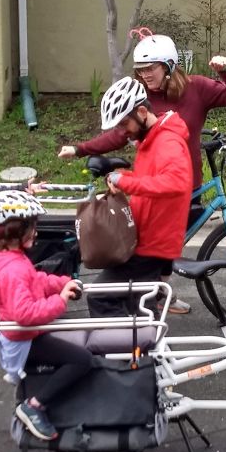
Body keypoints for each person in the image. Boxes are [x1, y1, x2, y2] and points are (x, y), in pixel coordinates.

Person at [59, 32, 226, 312]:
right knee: (158, 247)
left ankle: (155, 298)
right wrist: (81, 149)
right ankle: (156, 297)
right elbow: (119, 134)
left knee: (165, 245)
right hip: (153, 185)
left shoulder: (195, 89)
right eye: (141, 70)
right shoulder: (141, 100)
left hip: (185, 183)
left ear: (169, 65)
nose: (145, 75)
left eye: (151, 68)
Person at [0, 190, 90, 442]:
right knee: (82, 360)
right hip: (25, 339)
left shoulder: (5, 258)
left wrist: (61, 283)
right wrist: (60, 300)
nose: (35, 232)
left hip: (20, 335)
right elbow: (25, 313)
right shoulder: (13, 269)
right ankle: (34, 406)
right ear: (17, 231)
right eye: (32, 227)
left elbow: (34, 280)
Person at [88, 77, 193, 317]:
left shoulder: (167, 141)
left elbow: (176, 182)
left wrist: (125, 182)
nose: (122, 131)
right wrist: (125, 177)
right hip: (145, 236)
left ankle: (133, 342)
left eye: (124, 123)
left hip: (153, 243)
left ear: (142, 112)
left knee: (103, 297)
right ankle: (141, 340)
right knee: (138, 307)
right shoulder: (152, 138)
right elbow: (152, 178)